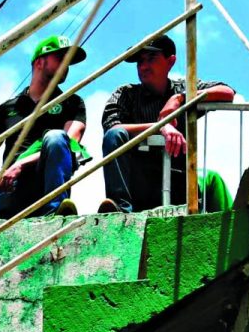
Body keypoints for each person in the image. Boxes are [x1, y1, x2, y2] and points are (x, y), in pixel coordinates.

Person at [100, 34, 234, 213]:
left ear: (170, 62)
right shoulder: (126, 94)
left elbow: (227, 92)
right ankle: (120, 210)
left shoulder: (181, 89)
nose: (144, 66)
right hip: (138, 183)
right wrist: (161, 127)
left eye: (151, 58)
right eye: (140, 62)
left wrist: (180, 99)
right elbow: (112, 128)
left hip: (177, 180)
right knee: (114, 136)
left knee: (211, 179)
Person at [0, 36, 90, 219]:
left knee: (56, 137)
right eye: (60, 58)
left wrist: (21, 164)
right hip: (12, 192)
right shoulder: (8, 108)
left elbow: (70, 142)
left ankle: (54, 212)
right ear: (39, 62)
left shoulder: (72, 103)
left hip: (46, 191)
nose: (66, 65)